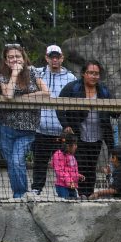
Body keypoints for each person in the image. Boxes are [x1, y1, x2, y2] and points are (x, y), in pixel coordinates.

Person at [57, 60, 119, 199]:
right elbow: (59, 105)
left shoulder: (103, 90)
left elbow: (115, 110)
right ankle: (80, 193)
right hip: (77, 135)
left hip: (97, 135)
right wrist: (65, 125)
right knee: (79, 165)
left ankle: (89, 194)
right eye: (91, 73)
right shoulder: (72, 87)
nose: (94, 76)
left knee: (91, 166)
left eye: (96, 73)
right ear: (84, 74)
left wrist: (115, 110)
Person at [0, 44, 49, 199]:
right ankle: (17, 195)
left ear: (23, 57)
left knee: (17, 161)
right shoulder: (2, 74)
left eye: (18, 56)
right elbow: (7, 94)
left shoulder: (33, 71)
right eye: (11, 57)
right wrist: (14, 73)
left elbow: (46, 93)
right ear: (6, 61)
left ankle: (21, 195)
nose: (15, 59)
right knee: (12, 164)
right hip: (6, 128)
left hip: (28, 128)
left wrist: (23, 98)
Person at [31, 44, 77, 196]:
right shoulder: (38, 73)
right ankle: (36, 189)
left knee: (66, 163)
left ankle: (69, 190)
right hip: (42, 128)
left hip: (61, 130)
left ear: (62, 58)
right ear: (47, 58)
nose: (55, 60)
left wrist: (69, 124)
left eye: (58, 57)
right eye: (52, 57)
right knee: (40, 162)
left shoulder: (70, 78)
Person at [50, 130, 84, 199]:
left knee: (74, 204)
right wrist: (68, 181)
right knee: (65, 204)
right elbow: (59, 171)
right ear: (68, 146)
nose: (76, 147)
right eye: (74, 145)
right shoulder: (58, 155)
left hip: (72, 185)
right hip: (62, 186)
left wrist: (78, 175)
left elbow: (71, 169)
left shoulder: (71, 155)